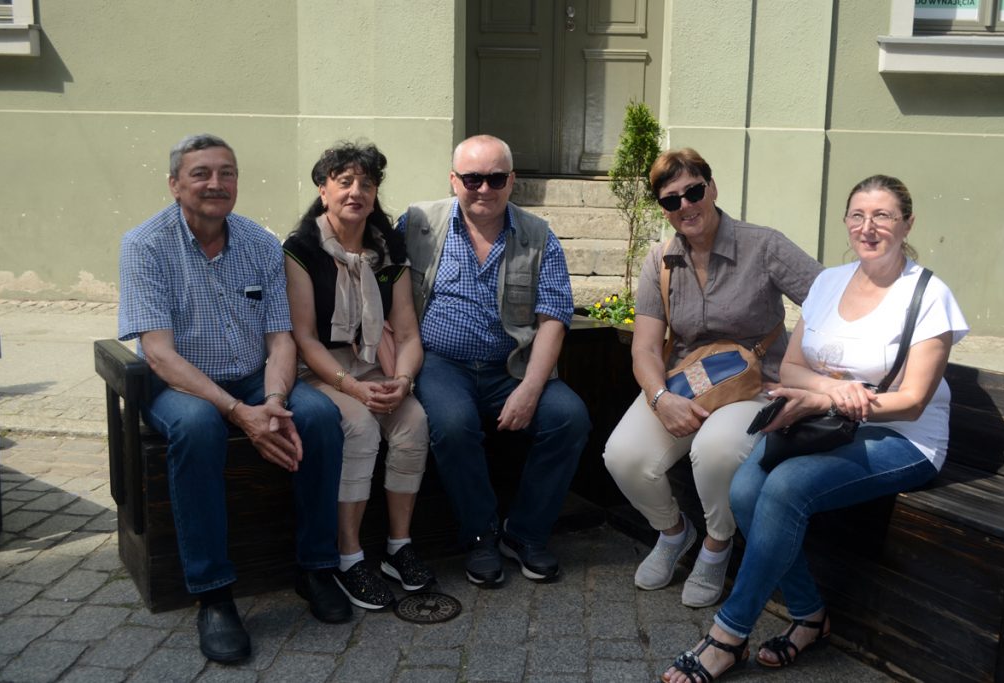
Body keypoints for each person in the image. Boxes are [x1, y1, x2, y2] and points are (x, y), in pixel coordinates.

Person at [661, 174, 969, 682]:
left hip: (905, 438)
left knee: (786, 487)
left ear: (907, 223)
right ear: (846, 222)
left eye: (883, 216)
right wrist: (832, 393)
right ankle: (809, 616)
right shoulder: (829, 283)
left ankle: (727, 635)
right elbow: (792, 368)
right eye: (858, 216)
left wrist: (838, 399)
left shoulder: (929, 294)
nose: (868, 227)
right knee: (745, 489)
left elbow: (914, 401)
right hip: (829, 423)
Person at [118, 134, 350, 664]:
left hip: (252, 377)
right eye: (200, 173)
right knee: (198, 428)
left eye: (227, 173)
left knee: (319, 416)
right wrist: (239, 414)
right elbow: (159, 355)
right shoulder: (145, 245)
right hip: (180, 383)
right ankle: (214, 594)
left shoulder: (260, 243)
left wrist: (273, 401)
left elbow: (280, 340)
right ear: (175, 184)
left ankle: (316, 568)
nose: (215, 183)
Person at [602, 148, 822, 608]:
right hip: (687, 383)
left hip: (755, 385)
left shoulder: (763, 246)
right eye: (671, 200)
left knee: (716, 449)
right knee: (623, 455)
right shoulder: (661, 260)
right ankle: (673, 532)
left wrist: (802, 364)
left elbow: (828, 299)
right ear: (663, 209)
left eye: (693, 191)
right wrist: (660, 397)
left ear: (712, 187)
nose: (685, 206)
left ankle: (717, 544)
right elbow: (645, 348)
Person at [399, 134, 591, 587]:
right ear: (453, 180)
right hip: (442, 362)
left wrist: (530, 389)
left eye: (496, 178)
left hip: (512, 366)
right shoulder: (417, 224)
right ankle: (480, 536)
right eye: (472, 179)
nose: (484, 189)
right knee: (452, 424)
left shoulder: (538, 236)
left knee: (569, 417)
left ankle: (525, 533)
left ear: (512, 181)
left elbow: (553, 318)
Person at [283, 141, 433, 611]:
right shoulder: (302, 250)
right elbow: (304, 338)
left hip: (374, 364)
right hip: (320, 369)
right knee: (361, 426)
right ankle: (349, 557)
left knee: (413, 423)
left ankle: (398, 547)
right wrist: (352, 388)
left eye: (366, 184)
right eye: (344, 182)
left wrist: (402, 382)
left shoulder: (387, 250)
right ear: (323, 190)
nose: (356, 192)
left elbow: (407, 333)